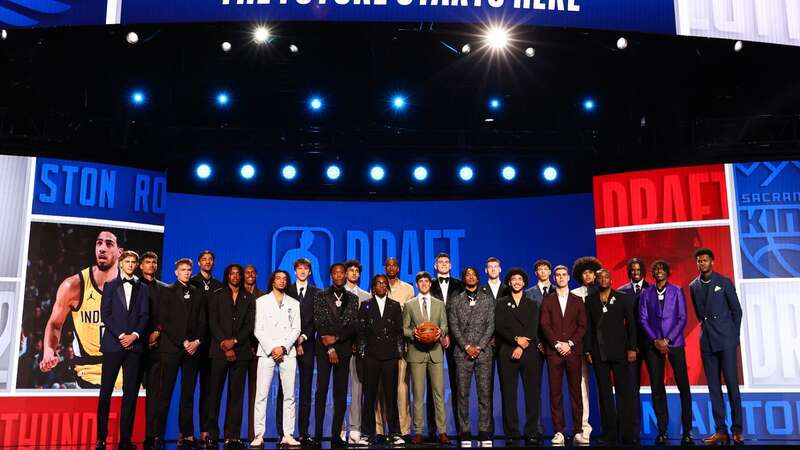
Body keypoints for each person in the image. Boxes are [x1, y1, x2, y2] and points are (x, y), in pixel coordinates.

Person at [40, 231, 123, 388]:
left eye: (109, 243)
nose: (102, 248)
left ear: (120, 252)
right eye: (99, 243)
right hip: (89, 372)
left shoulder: (134, 287)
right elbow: (55, 324)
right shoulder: (73, 286)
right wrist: (49, 350)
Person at [95, 251, 150, 450]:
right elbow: (106, 315)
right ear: (120, 264)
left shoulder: (143, 288)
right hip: (113, 345)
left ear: (136, 265)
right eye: (127, 261)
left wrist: (134, 335)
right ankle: (101, 438)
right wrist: (121, 335)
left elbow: (145, 315)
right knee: (105, 392)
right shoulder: (110, 286)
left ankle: (125, 440)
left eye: (133, 262)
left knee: (130, 394)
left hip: (134, 347)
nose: (130, 264)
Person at [689, 248, 743, 445]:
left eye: (705, 260)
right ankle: (721, 430)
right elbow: (699, 314)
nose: (701, 263)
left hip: (726, 340)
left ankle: (737, 430)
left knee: (731, 385)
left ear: (712, 262)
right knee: (714, 388)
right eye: (699, 261)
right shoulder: (693, 286)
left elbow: (737, 311)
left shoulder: (724, 281)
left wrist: (733, 336)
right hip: (708, 342)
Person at [149, 258, 205, 448]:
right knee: (165, 393)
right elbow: (165, 321)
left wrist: (197, 342)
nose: (187, 273)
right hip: (172, 348)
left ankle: (187, 433)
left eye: (189, 270)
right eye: (183, 270)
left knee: (188, 393)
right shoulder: (167, 291)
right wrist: (183, 341)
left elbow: (202, 321)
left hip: (192, 351)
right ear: (176, 272)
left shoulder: (198, 293)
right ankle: (158, 434)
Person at [639, 260, 693, 445]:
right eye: (656, 269)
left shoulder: (677, 291)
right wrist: (656, 340)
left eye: (662, 269)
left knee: (683, 387)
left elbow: (682, 317)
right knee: (657, 388)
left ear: (667, 272)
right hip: (654, 344)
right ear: (652, 274)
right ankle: (662, 430)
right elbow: (643, 318)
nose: (659, 271)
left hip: (674, 343)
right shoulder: (646, 293)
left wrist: (667, 340)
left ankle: (687, 432)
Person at [583, 269, 637, 445]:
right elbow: (588, 329)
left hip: (621, 352)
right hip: (599, 354)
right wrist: (588, 350)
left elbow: (631, 325)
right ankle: (610, 434)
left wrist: (631, 348)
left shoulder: (621, 298)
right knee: (604, 394)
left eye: (606, 277)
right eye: (600, 277)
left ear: (611, 280)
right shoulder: (590, 300)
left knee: (624, 393)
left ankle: (627, 433)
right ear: (596, 280)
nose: (603, 279)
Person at [205, 264, 256, 447]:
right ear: (227, 275)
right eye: (232, 273)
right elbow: (213, 322)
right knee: (215, 394)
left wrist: (234, 342)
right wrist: (224, 344)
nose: (235, 276)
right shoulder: (217, 294)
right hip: (219, 350)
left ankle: (232, 435)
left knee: (236, 395)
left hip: (241, 352)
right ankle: (212, 434)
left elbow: (249, 325)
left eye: (238, 274)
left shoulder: (249, 298)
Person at [251, 270, 302, 448]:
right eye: (278, 278)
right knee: (261, 395)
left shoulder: (294, 303)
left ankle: (288, 434)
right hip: (266, 352)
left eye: (284, 279)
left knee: (289, 395)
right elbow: (257, 328)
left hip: (287, 352)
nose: (281, 281)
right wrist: (272, 348)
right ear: (272, 281)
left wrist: (283, 347)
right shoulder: (261, 301)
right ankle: (258, 434)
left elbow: (296, 329)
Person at [313, 263, 360, 447]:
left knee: (340, 394)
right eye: (336, 272)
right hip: (325, 350)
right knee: (322, 391)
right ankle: (317, 435)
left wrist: (337, 339)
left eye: (342, 272)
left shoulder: (353, 299)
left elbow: (353, 325)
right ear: (331, 275)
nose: (340, 275)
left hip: (344, 349)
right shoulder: (320, 296)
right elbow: (319, 321)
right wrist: (330, 348)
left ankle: (335, 435)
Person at [539, 265, 588, 445]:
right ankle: (558, 431)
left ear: (568, 278)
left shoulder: (577, 300)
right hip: (554, 353)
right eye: (557, 275)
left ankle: (577, 430)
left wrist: (570, 344)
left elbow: (582, 326)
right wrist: (557, 344)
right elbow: (545, 325)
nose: (560, 278)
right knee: (555, 393)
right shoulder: (548, 300)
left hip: (573, 352)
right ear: (554, 278)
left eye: (563, 275)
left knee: (576, 393)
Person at [495, 267, 543, 446]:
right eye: (513, 279)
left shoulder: (532, 304)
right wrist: (516, 340)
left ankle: (531, 431)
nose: (516, 282)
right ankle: (512, 433)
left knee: (532, 393)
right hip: (507, 351)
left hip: (528, 352)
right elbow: (500, 326)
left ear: (524, 283)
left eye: (520, 279)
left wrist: (522, 346)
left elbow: (532, 327)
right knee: (508, 394)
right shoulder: (501, 303)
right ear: (509, 282)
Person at [449, 267, 495, 447]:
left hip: (483, 353)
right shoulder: (456, 300)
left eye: (473, 275)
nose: (471, 277)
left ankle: (484, 432)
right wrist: (467, 346)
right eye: (467, 275)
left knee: (484, 394)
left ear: (478, 278)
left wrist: (479, 346)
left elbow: (491, 325)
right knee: (462, 394)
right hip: (462, 353)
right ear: (464, 279)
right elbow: (453, 325)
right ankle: (465, 432)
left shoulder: (487, 300)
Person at [358, 274, 405, 446]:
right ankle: (366, 434)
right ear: (373, 286)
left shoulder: (394, 306)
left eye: (384, 283)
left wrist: (399, 353)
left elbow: (399, 331)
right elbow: (361, 333)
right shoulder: (366, 306)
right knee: (368, 397)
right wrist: (361, 356)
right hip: (370, 357)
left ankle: (394, 433)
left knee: (391, 396)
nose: (381, 286)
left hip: (390, 357)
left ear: (387, 287)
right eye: (378, 283)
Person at [404, 271, 450, 445]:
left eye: (426, 281)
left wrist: (441, 332)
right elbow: (404, 329)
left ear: (430, 285)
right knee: (417, 394)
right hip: (416, 353)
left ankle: (443, 431)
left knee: (438, 393)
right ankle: (417, 431)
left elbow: (444, 325)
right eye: (420, 282)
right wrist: (413, 333)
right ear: (417, 285)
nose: (423, 284)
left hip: (435, 352)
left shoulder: (439, 304)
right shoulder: (410, 305)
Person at [281, 258, 321, 444]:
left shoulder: (317, 293)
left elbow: (316, 320)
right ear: (294, 271)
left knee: (305, 390)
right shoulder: (285, 290)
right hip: (286, 346)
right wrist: (291, 339)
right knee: (285, 389)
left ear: (310, 272)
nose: (303, 271)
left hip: (308, 344)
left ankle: (304, 432)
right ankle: (285, 433)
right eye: (299, 268)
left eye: (306, 268)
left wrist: (303, 337)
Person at [375, 257, 414, 440]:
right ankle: (380, 430)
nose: (391, 268)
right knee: (380, 390)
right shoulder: (377, 286)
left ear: (398, 268)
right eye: (388, 265)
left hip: (399, 347)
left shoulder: (408, 289)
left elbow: (410, 318)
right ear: (385, 267)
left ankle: (403, 430)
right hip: (379, 349)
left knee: (400, 389)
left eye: (394, 265)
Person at [190, 250, 224, 446]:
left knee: (209, 391)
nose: (208, 262)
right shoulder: (191, 282)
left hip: (212, 344)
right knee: (188, 390)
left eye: (211, 259)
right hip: (194, 344)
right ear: (198, 262)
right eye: (204, 259)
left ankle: (206, 430)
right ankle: (186, 432)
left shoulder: (219, 286)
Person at [428, 252, 462, 438]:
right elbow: (425, 310)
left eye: (446, 262)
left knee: (458, 384)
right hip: (432, 337)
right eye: (440, 262)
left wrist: (450, 333)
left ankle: (460, 428)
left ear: (450, 265)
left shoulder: (459, 284)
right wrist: (440, 333)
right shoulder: (428, 284)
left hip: (456, 339)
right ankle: (433, 430)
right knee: (433, 383)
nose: (443, 264)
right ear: (435, 266)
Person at [617, 256, 649, 441]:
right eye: (632, 270)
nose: (635, 273)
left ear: (643, 271)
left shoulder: (652, 290)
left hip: (650, 345)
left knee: (657, 388)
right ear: (629, 272)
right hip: (631, 348)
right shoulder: (621, 292)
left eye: (638, 270)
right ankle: (632, 432)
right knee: (631, 390)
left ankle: (662, 431)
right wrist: (630, 345)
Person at [570, 256, 602, 443]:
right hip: (580, 346)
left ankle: (609, 427)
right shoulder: (574, 294)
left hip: (601, 347)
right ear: (580, 276)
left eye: (591, 272)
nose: (588, 275)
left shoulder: (602, 291)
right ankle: (584, 428)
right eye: (585, 272)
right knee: (581, 387)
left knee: (604, 387)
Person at [139, 251, 169, 447]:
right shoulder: (133, 286)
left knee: (155, 394)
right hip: (135, 345)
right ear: (141, 265)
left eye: (154, 262)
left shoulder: (165, 289)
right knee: (131, 390)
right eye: (147, 262)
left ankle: (153, 434)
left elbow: (167, 315)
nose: (151, 265)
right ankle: (127, 435)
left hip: (157, 346)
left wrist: (156, 333)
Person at [343, 259, 372, 445]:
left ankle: (355, 428)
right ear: (345, 273)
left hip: (359, 350)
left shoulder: (366, 296)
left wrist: (359, 343)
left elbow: (367, 325)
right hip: (340, 348)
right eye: (350, 270)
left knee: (357, 389)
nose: (353, 273)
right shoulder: (335, 293)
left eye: (356, 271)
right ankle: (339, 429)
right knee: (338, 390)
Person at [478, 257, 507, 440]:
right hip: (486, 344)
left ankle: (509, 430)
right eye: (490, 267)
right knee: (485, 389)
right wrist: (487, 338)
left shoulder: (508, 289)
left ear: (500, 269)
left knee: (507, 388)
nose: (493, 269)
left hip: (505, 343)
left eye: (496, 266)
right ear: (486, 270)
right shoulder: (481, 291)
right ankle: (487, 430)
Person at [242, 265, 265, 444]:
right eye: (247, 273)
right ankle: (231, 435)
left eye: (252, 272)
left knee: (256, 394)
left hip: (259, 350)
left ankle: (254, 435)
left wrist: (256, 345)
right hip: (239, 348)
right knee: (235, 394)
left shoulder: (263, 296)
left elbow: (264, 325)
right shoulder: (235, 294)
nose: (250, 275)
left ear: (256, 275)